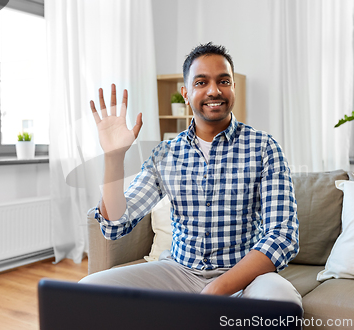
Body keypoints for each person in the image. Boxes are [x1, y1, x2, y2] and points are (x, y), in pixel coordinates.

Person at [79, 42, 301, 307]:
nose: (214, 90)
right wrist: (113, 157)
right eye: (201, 82)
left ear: (233, 88)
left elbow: (282, 236)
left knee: (283, 301)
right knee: (88, 289)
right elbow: (116, 224)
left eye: (223, 81)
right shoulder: (165, 154)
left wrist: (216, 289)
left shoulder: (264, 147)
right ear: (185, 93)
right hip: (179, 272)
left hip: (246, 277)